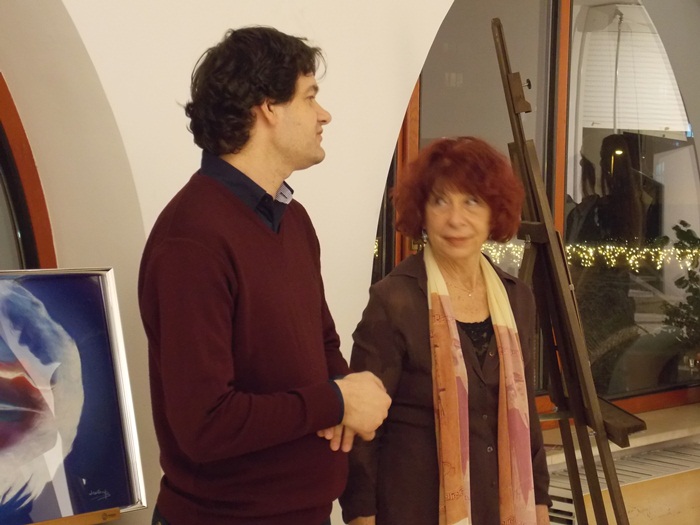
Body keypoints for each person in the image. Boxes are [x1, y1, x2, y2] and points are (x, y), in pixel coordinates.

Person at [138, 26, 391, 525]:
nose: (324, 114)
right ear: (268, 107)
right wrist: (335, 400)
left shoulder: (292, 220)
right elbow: (206, 424)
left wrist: (343, 392)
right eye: (310, 96)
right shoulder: (191, 240)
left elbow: (321, 342)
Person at [339, 137, 552, 525]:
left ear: (494, 212)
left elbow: (526, 415)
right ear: (421, 212)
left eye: (472, 201)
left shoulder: (517, 297)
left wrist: (538, 501)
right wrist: (361, 515)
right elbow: (363, 429)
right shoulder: (394, 300)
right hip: (412, 507)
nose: (455, 219)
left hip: (499, 506)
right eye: (440, 201)